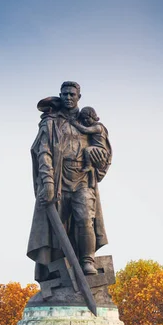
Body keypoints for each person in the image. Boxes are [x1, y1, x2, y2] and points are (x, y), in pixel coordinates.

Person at [27, 81, 112, 280]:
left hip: (83, 179)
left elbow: (105, 154)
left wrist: (97, 155)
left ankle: (87, 260)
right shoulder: (50, 122)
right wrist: (47, 182)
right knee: (57, 229)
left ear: (78, 97)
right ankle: (58, 272)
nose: (68, 97)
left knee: (85, 219)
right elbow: (43, 152)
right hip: (58, 181)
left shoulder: (89, 122)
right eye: (64, 94)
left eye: (72, 94)